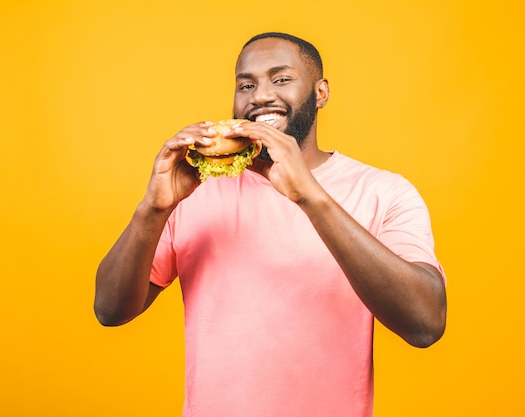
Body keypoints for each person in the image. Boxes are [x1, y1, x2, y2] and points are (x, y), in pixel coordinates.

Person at [94, 32, 447, 417]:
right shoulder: (195, 192)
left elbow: (425, 324)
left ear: (321, 92)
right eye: (246, 85)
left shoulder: (385, 191)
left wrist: (310, 196)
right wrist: (153, 208)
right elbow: (110, 310)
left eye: (281, 79)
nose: (259, 96)